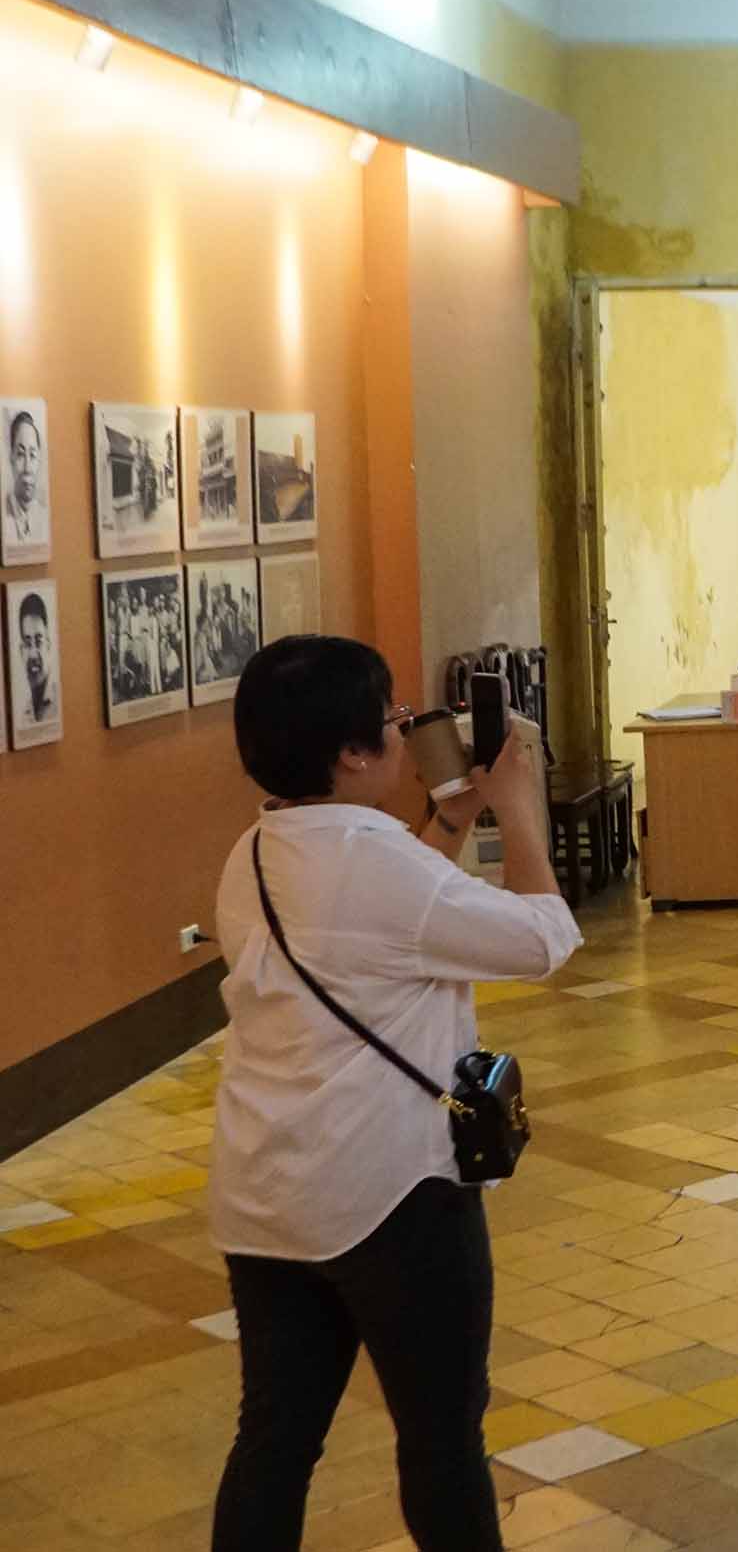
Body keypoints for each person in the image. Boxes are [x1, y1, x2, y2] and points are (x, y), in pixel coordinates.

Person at [209, 634, 581, 1552]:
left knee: (275, 1441)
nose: (407, 737)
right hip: (391, 1196)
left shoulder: (252, 853)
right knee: (443, 1442)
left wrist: (450, 820)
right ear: (350, 753)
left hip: (265, 1194)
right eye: (392, 723)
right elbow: (543, 941)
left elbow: (378, 923)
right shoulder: (377, 863)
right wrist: (517, 810)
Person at [4, 407, 41, 551]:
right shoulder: (5, 517)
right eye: (20, 454)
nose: (27, 468)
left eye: (32, 455)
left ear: (39, 460)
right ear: (11, 458)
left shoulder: (45, 520)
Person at [15, 589, 53, 723]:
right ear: (21, 652)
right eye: (27, 643)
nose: (33, 653)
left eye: (38, 641)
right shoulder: (23, 715)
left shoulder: (61, 702)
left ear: (49, 645)